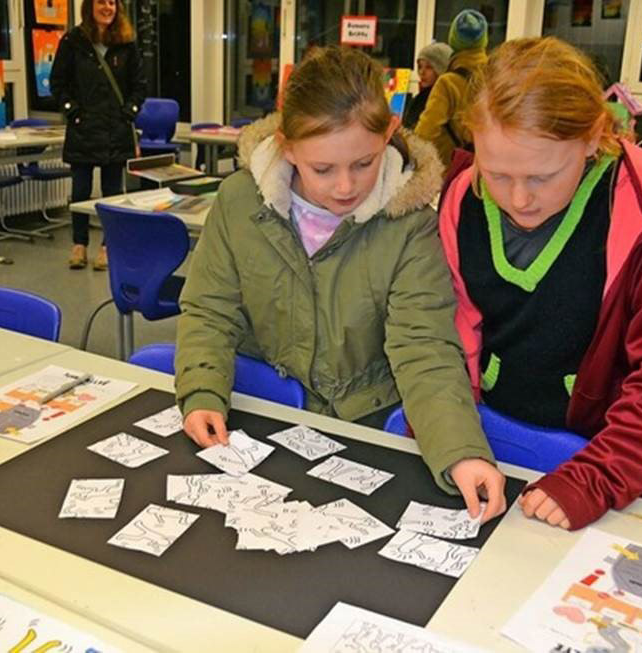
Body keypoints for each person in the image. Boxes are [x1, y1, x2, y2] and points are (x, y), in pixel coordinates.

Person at [175, 46, 506, 523]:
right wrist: (203, 390)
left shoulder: (409, 223)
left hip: (366, 429)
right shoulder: (239, 200)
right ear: (288, 148)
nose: (346, 187)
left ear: (390, 133)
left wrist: (460, 450)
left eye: (364, 163)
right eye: (323, 169)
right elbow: (210, 309)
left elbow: (426, 348)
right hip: (261, 418)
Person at [438, 37, 642, 530]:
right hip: (486, 448)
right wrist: (453, 439)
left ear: (593, 138)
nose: (519, 199)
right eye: (497, 174)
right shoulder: (460, 199)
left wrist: (596, 476)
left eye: (543, 176)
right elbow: (446, 338)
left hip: (608, 465)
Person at [50, 0, 145, 271]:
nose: (108, 8)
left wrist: (129, 112)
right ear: (90, 7)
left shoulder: (127, 43)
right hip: (83, 129)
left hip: (116, 130)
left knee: (112, 193)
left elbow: (139, 86)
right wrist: (73, 113)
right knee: (80, 192)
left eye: (112, 3)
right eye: (102, 2)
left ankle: (107, 246)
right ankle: (79, 245)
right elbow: (58, 83)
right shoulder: (72, 41)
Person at [414, 9, 488, 171]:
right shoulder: (496, 78)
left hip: (454, 169)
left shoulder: (448, 83)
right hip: (490, 168)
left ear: (453, 39)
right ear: (483, 40)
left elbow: (425, 132)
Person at [402, 42, 451, 130]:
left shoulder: (443, 101)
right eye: (420, 67)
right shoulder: (419, 99)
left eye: (429, 67)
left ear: (442, 69)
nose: (422, 72)